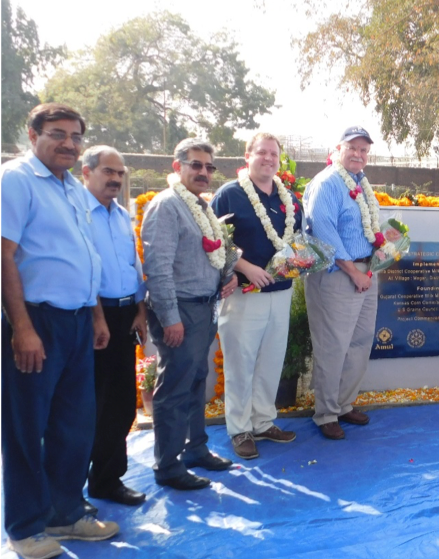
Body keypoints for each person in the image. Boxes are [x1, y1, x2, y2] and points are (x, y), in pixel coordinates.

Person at [1, 104, 119, 559]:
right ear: (33, 136)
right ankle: (25, 526)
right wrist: (23, 328)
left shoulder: (71, 187)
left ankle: (65, 514)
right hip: (37, 321)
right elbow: (4, 255)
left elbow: (83, 256)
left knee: (74, 426)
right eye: (57, 134)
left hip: (76, 323)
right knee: (27, 428)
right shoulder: (16, 180)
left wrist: (95, 316)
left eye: (75, 136)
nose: (68, 143)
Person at [142, 138, 238, 491]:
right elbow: (158, 267)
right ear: (176, 166)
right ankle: (167, 466)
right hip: (180, 310)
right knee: (174, 389)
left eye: (209, 167)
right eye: (195, 164)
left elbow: (210, 255)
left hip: (204, 307)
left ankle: (195, 448)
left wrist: (227, 276)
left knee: (197, 381)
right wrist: (170, 318)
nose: (203, 172)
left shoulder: (202, 207)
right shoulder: (167, 206)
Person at [212, 133, 302, 459]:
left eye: (273, 154)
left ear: (279, 159)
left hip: (280, 293)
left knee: (270, 362)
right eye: (261, 152)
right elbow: (213, 241)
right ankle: (239, 429)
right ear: (247, 156)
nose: (268, 158)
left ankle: (263, 422)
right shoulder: (229, 195)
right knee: (240, 363)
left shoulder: (289, 199)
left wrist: (302, 260)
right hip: (243, 295)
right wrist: (246, 267)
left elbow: (298, 242)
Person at [81, 146, 149, 508]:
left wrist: (140, 310)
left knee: (122, 405)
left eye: (120, 173)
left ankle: (107, 481)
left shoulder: (122, 215)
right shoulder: (79, 214)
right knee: (88, 405)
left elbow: (133, 266)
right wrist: (97, 318)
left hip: (124, 316)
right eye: (108, 171)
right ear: (86, 172)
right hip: (93, 316)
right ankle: (67, 494)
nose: (116, 179)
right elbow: (85, 272)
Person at [303, 126, 381, 440]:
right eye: (353, 148)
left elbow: (369, 224)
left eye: (364, 150)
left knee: (360, 343)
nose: (358, 154)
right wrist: (354, 272)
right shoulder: (326, 184)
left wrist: (381, 252)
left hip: (366, 273)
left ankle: (344, 403)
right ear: (337, 149)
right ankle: (325, 413)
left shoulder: (362, 184)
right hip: (339, 276)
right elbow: (324, 235)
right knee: (333, 346)